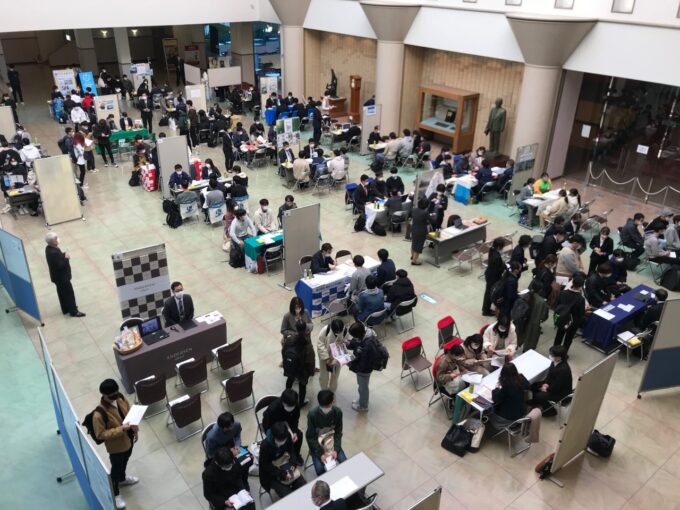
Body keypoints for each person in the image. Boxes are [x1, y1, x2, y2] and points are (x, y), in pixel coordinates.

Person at [93, 379, 138, 510]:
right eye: (111, 395)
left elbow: (130, 414)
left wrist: (135, 430)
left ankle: (122, 479)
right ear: (104, 395)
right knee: (116, 469)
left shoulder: (121, 398)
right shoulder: (98, 415)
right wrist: (120, 429)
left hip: (128, 439)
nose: (115, 397)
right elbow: (100, 434)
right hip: (116, 447)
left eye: (116, 393)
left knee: (125, 461)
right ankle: (115, 493)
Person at [260, 421, 307, 497]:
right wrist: (282, 474)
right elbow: (265, 465)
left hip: (285, 464)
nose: (282, 442)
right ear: (273, 436)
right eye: (280, 440)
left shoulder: (287, 435)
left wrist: (293, 463)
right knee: (288, 496)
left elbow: (291, 450)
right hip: (272, 472)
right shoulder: (265, 446)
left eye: (284, 439)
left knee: (304, 485)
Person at [306, 390, 347, 475]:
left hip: (332, 442)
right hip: (317, 445)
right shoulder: (312, 414)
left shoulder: (337, 412)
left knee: (345, 463)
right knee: (320, 470)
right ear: (333, 401)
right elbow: (311, 437)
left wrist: (336, 450)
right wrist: (320, 454)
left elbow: (338, 433)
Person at [45, 232, 85, 317]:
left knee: (61, 293)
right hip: (62, 278)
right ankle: (74, 311)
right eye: (56, 238)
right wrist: (66, 258)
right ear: (52, 241)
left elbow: (56, 261)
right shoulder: (54, 252)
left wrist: (62, 255)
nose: (57, 239)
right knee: (69, 293)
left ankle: (65, 308)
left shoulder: (49, 248)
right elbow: (61, 265)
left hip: (56, 277)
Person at [262, 389, 304, 463]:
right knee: (284, 440)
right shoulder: (272, 410)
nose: (292, 408)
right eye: (289, 406)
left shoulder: (295, 405)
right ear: (283, 402)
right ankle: (284, 455)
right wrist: (279, 433)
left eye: (293, 406)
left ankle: (296, 455)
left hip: (287, 422)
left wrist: (294, 431)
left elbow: (295, 420)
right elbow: (267, 426)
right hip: (274, 426)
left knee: (299, 435)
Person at [487, 364, 530, 433]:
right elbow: (528, 385)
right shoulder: (520, 378)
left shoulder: (507, 386)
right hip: (521, 412)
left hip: (508, 417)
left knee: (489, 410)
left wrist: (496, 388)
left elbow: (496, 398)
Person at [346, 322, 379, 413]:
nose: (353, 338)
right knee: (361, 385)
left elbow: (363, 365)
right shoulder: (362, 334)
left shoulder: (368, 346)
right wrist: (348, 343)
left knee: (363, 388)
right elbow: (356, 343)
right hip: (360, 366)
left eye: (354, 336)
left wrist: (351, 365)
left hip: (365, 370)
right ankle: (361, 399)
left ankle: (363, 406)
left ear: (359, 334)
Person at [530, 345, 573, 414]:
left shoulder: (563, 370)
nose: (550, 356)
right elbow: (549, 375)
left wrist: (545, 389)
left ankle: (550, 411)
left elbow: (557, 385)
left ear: (559, 357)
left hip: (560, 393)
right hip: (552, 384)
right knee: (534, 385)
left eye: (552, 355)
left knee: (540, 395)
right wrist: (546, 383)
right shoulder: (554, 362)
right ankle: (535, 402)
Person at [282, 320, 316, 407]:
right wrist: (311, 372)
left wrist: (285, 363)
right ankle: (301, 402)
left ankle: (286, 397)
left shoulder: (289, 339)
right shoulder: (307, 343)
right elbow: (311, 360)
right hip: (302, 369)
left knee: (290, 380)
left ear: (295, 328)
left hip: (291, 365)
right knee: (302, 385)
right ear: (305, 330)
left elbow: (284, 351)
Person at [553, 274, 586, 353]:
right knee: (568, 338)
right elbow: (581, 313)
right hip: (573, 321)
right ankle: (563, 354)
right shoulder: (580, 299)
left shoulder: (563, 293)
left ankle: (554, 351)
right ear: (581, 286)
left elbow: (557, 304)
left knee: (559, 336)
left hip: (562, 318)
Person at [516, 280, 550, 352]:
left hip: (521, 321)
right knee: (530, 341)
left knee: (517, 336)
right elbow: (544, 316)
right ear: (540, 290)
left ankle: (514, 347)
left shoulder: (524, 295)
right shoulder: (542, 302)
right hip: (533, 323)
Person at [317, 319, 347, 393]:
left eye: (340, 331)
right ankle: (324, 391)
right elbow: (320, 344)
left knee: (335, 376)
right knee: (324, 376)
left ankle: (332, 390)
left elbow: (345, 343)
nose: (338, 333)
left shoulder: (345, 330)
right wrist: (326, 358)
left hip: (337, 358)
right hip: (325, 357)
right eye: (336, 332)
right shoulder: (325, 330)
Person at [482, 237, 506, 316]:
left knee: (488, 292)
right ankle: (486, 311)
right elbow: (498, 270)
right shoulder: (497, 257)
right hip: (493, 277)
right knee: (490, 293)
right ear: (499, 247)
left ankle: (485, 309)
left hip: (489, 274)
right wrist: (503, 266)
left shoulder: (492, 249)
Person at [410, 198, 432, 266]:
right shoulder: (425, 212)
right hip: (421, 231)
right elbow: (431, 220)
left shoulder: (414, 209)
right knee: (418, 246)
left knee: (413, 244)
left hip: (414, 229)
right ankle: (414, 261)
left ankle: (412, 256)